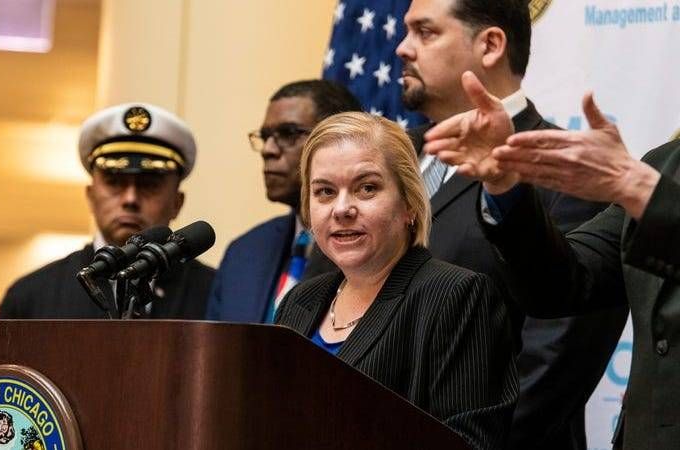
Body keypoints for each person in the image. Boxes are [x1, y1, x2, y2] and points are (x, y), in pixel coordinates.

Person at [395, 0, 628, 447]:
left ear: (490, 45)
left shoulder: (566, 167)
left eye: (425, 32)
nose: (402, 48)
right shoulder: (386, 162)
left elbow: (555, 359)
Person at [424, 74, 680, 449]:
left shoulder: (645, 180)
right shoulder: (665, 162)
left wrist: (641, 191)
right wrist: (506, 187)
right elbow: (565, 282)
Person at [274, 112, 517, 449]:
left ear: (409, 205)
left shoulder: (455, 296)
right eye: (325, 192)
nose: (342, 209)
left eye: (366, 188)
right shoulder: (299, 301)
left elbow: (468, 443)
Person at [0, 103, 214, 319]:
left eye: (149, 185)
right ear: (91, 196)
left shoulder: (214, 293)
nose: (130, 199)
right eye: (114, 182)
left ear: (177, 202)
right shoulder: (31, 296)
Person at [206, 80, 362, 322]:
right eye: (265, 136)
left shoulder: (368, 248)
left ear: (340, 140)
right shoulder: (243, 253)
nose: (268, 150)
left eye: (289, 133)